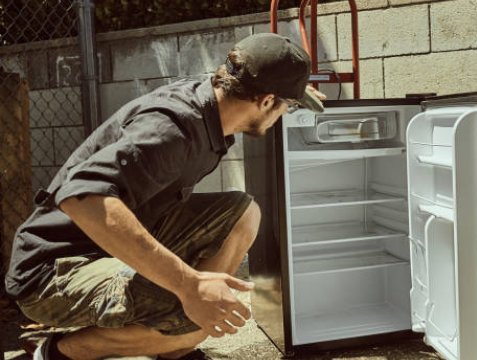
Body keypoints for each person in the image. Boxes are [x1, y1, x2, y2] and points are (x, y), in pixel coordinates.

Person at [4, 33, 324, 360]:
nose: (287, 113)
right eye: (289, 106)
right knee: (191, 319)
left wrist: (292, 90)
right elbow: (81, 198)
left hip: (104, 243)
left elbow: (254, 79)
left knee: (244, 213)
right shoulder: (173, 127)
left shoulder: (213, 102)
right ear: (267, 100)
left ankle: (176, 344)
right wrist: (189, 285)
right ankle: (58, 351)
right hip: (54, 270)